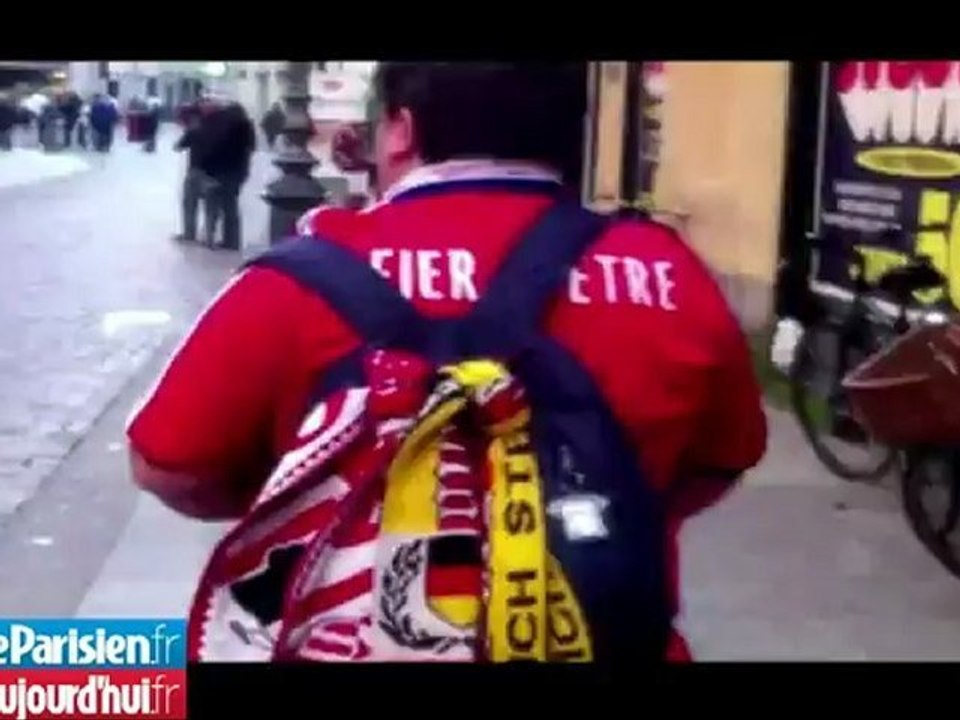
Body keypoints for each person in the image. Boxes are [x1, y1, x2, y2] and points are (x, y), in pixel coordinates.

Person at [126, 63, 767, 662]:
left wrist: (306, 485)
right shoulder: (671, 274)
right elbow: (720, 460)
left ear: (401, 129)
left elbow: (167, 462)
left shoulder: (295, 279)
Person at [196, 101, 256, 250]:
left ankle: (210, 237)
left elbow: (214, 148)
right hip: (238, 172)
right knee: (231, 206)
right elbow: (251, 148)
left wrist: (206, 167)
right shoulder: (246, 127)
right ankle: (232, 241)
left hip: (221, 172)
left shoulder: (224, 127)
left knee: (213, 205)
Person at [172, 102, 212, 243]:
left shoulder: (193, 130)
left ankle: (189, 234)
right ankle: (209, 236)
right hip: (215, 171)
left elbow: (178, 147)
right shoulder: (214, 127)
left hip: (196, 171)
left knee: (189, 202)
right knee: (211, 206)